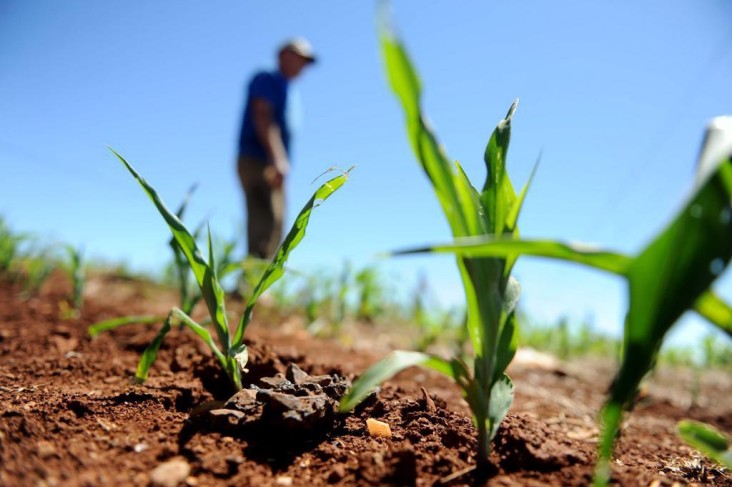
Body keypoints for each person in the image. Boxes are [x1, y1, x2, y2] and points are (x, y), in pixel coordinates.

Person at [236, 37, 316, 260]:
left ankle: (258, 282)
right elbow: (262, 116)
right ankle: (252, 284)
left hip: (269, 161)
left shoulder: (289, 90)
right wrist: (278, 158)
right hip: (259, 159)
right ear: (283, 55)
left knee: (276, 221)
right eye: (300, 58)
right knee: (265, 219)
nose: (303, 66)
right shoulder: (267, 79)